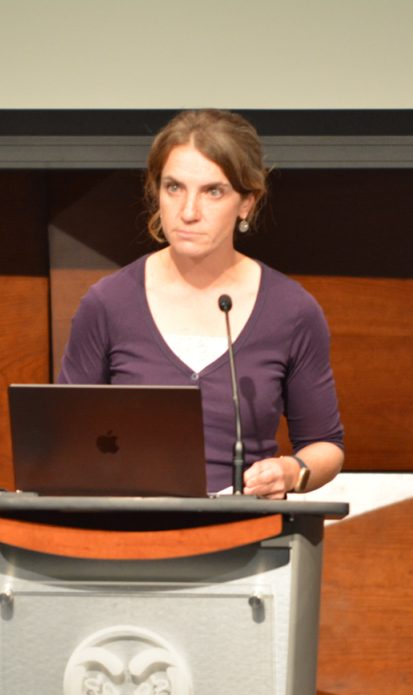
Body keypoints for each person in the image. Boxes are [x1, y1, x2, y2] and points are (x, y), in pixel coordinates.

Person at [58, 109, 344, 498]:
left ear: (247, 202)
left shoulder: (292, 311)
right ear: (155, 191)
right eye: (174, 187)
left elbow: (326, 444)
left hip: (248, 539)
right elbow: (65, 439)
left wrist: (291, 472)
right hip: (129, 536)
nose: (188, 212)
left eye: (213, 191)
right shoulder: (108, 303)